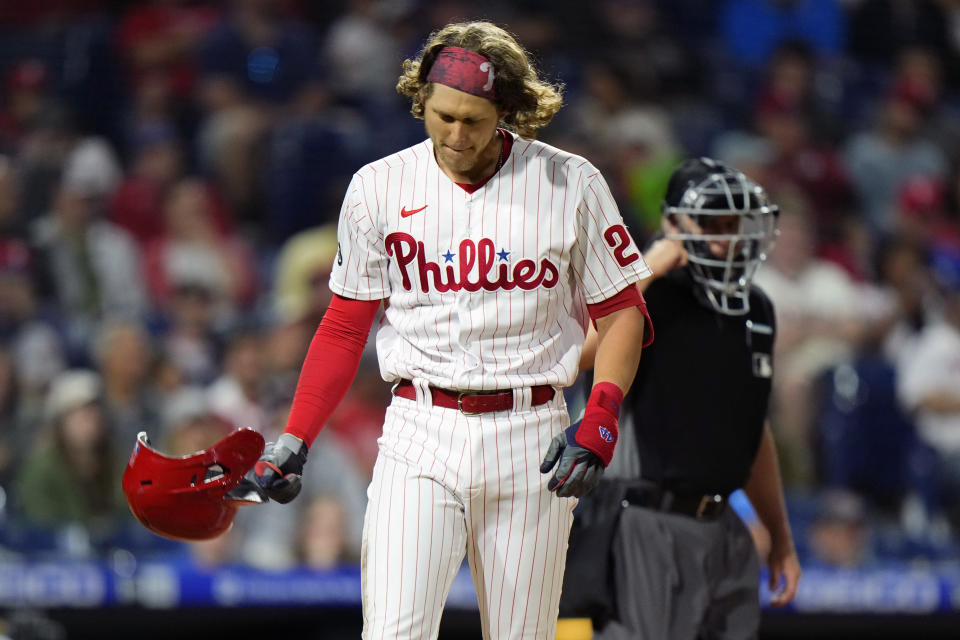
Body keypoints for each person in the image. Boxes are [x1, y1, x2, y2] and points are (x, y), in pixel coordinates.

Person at [241, 20, 652, 640]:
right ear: (421, 101)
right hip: (420, 430)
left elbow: (622, 313)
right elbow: (345, 328)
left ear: (508, 111)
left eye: (474, 121)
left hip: (530, 436)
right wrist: (296, 437)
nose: (455, 134)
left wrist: (600, 416)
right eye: (442, 116)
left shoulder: (570, 182)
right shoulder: (378, 187)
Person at [570, 157, 801, 639]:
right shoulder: (648, 295)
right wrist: (648, 266)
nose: (727, 235)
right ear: (673, 223)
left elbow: (751, 430)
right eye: (712, 221)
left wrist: (779, 534)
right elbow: (579, 355)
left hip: (725, 528)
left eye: (735, 222)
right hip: (646, 522)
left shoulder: (756, 308)